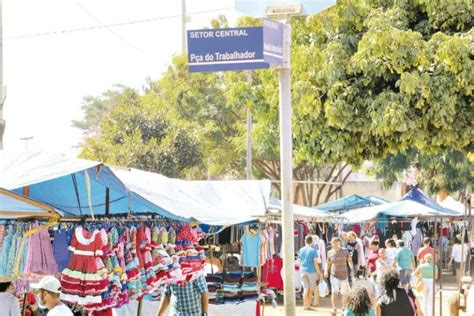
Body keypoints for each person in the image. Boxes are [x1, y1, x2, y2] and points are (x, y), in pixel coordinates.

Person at [326, 236, 354, 314]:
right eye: (333, 242)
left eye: (336, 242)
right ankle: (334, 308)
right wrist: (326, 271)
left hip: (344, 275)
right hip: (334, 274)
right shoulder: (330, 252)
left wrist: (351, 268)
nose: (335, 244)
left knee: (344, 293)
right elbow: (328, 263)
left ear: (339, 242)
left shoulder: (345, 251)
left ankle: (344, 308)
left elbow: (349, 260)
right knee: (335, 291)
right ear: (331, 243)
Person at [298, 235, 323, 310]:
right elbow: (315, 263)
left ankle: (305, 305)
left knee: (306, 289)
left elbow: (299, 261)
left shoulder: (301, 250)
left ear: (305, 241)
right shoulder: (313, 250)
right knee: (311, 289)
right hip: (312, 271)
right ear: (312, 241)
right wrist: (319, 273)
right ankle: (308, 305)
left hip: (303, 271)